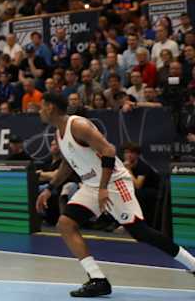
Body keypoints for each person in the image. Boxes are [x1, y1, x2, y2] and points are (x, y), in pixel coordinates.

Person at [36, 93, 195, 297]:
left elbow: (109, 150)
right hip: (92, 185)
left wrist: (103, 188)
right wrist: (50, 188)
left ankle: (192, 264)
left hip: (113, 182)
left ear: (50, 108)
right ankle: (98, 279)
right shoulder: (59, 133)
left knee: (140, 232)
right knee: (65, 224)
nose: (39, 111)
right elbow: (68, 164)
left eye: (42, 107)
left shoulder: (78, 126)